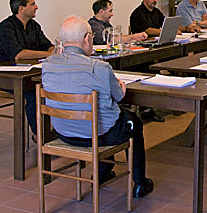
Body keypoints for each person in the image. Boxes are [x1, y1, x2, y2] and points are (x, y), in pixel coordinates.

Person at [41, 15, 154, 198]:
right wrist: (120, 86)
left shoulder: (47, 65)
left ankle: (103, 172)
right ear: (87, 38)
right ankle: (140, 183)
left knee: (102, 114)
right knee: (132, 122)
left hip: (64, 132)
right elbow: (118, 96)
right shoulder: (99, 67)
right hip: (99, 135)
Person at [0, 0, 54, 135]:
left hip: (29, 74)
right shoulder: (5, 28)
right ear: (21, 8)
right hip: (8, 77)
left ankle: (55, 131)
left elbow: (48, 45)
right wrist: (48, 54)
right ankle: (40, 135)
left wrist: (53, 50)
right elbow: (18, 55)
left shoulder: (34, 26)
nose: (36, 7)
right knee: (34, 94)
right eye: (32, 4)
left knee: (53, 87)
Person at [129, 0, 166, 123]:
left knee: (178, 58)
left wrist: (182, 28)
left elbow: (165, 23)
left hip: (154, 49)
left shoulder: (156, 12)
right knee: (149, 70)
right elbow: (148, 30)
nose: (155, 0)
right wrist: (163, 31)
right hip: (140, 55)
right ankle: (147, 110)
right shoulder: (137, 14)